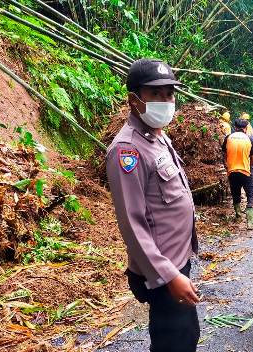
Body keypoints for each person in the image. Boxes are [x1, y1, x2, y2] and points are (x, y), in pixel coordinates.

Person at [105, 58, 200, 352]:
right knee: (174, 342)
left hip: (176, 260)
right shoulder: (127, 151)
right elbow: (131, 224)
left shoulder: (158, 137)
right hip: (161, 269)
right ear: (134, 100)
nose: (165, 100)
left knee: (187, 335)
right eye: (156, 94)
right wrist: (169, 276)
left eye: (169, 93)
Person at [222, 118, 253, 230]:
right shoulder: (250, 140)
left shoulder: (228, 138)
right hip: (246, 170)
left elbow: (224, 155)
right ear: (245, 128)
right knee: (250, 194)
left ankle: (238, 216)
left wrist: (228, 166)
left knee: (235, 193)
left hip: (232, 171)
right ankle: (252, 222)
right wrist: (249, 167)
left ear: (235, 127)